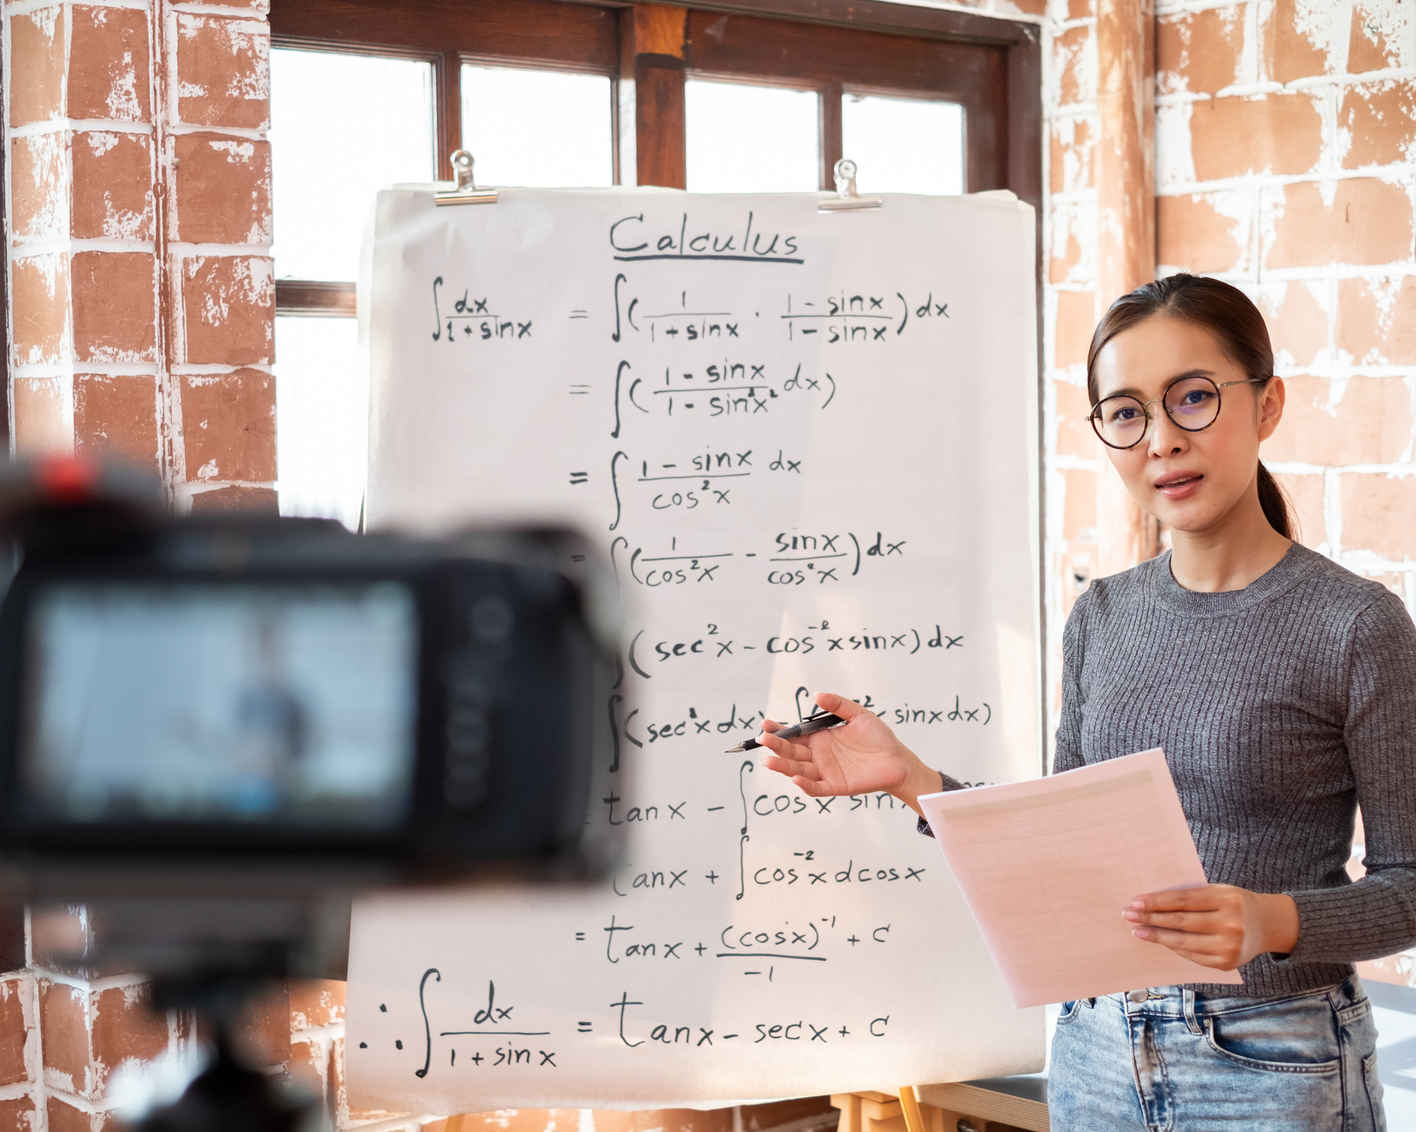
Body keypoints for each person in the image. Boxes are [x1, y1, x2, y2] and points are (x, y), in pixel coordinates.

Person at [757, 273, 1414, 1130]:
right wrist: (913, 780)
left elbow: (1410, 888)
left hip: (1274, 1061)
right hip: (1097, 1049)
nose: (1162, 442)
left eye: (1194, 398)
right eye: (1128, 412)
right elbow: (1057, 854)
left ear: (1268, 404)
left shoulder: (1355, 624)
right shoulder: (1102, 615)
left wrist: (1272, 920)